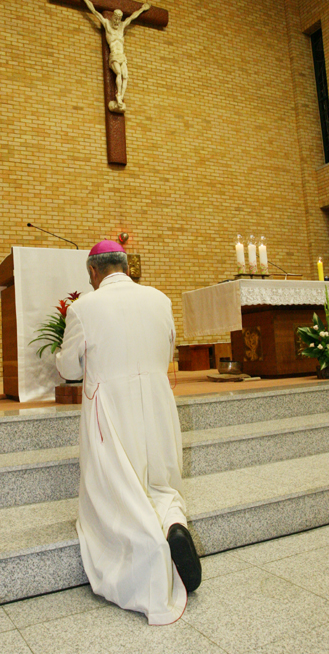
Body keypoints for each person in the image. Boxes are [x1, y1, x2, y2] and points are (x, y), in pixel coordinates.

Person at [56, 240, 201, 625]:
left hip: (110, 410)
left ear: (93, 272)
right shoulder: (159, 299)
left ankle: (150, 552)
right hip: (156, 401)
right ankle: (173, 523)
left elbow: (69, 368)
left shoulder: (83, 308)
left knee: (118, 488)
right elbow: (167, 352)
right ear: (125, 266)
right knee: (160, 481)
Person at [73, 0, 150, 112]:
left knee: (126, 76)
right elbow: (94, 11)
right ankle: (118, 95)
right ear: (112, 18)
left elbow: (132, 17)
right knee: (118, 73)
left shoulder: (122, 26)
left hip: (122, 56)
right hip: (114, 55)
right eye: (115, 19)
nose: (116, 22)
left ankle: (120, 97)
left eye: (118, 20)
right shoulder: (107, 24)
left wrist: (143, 9)